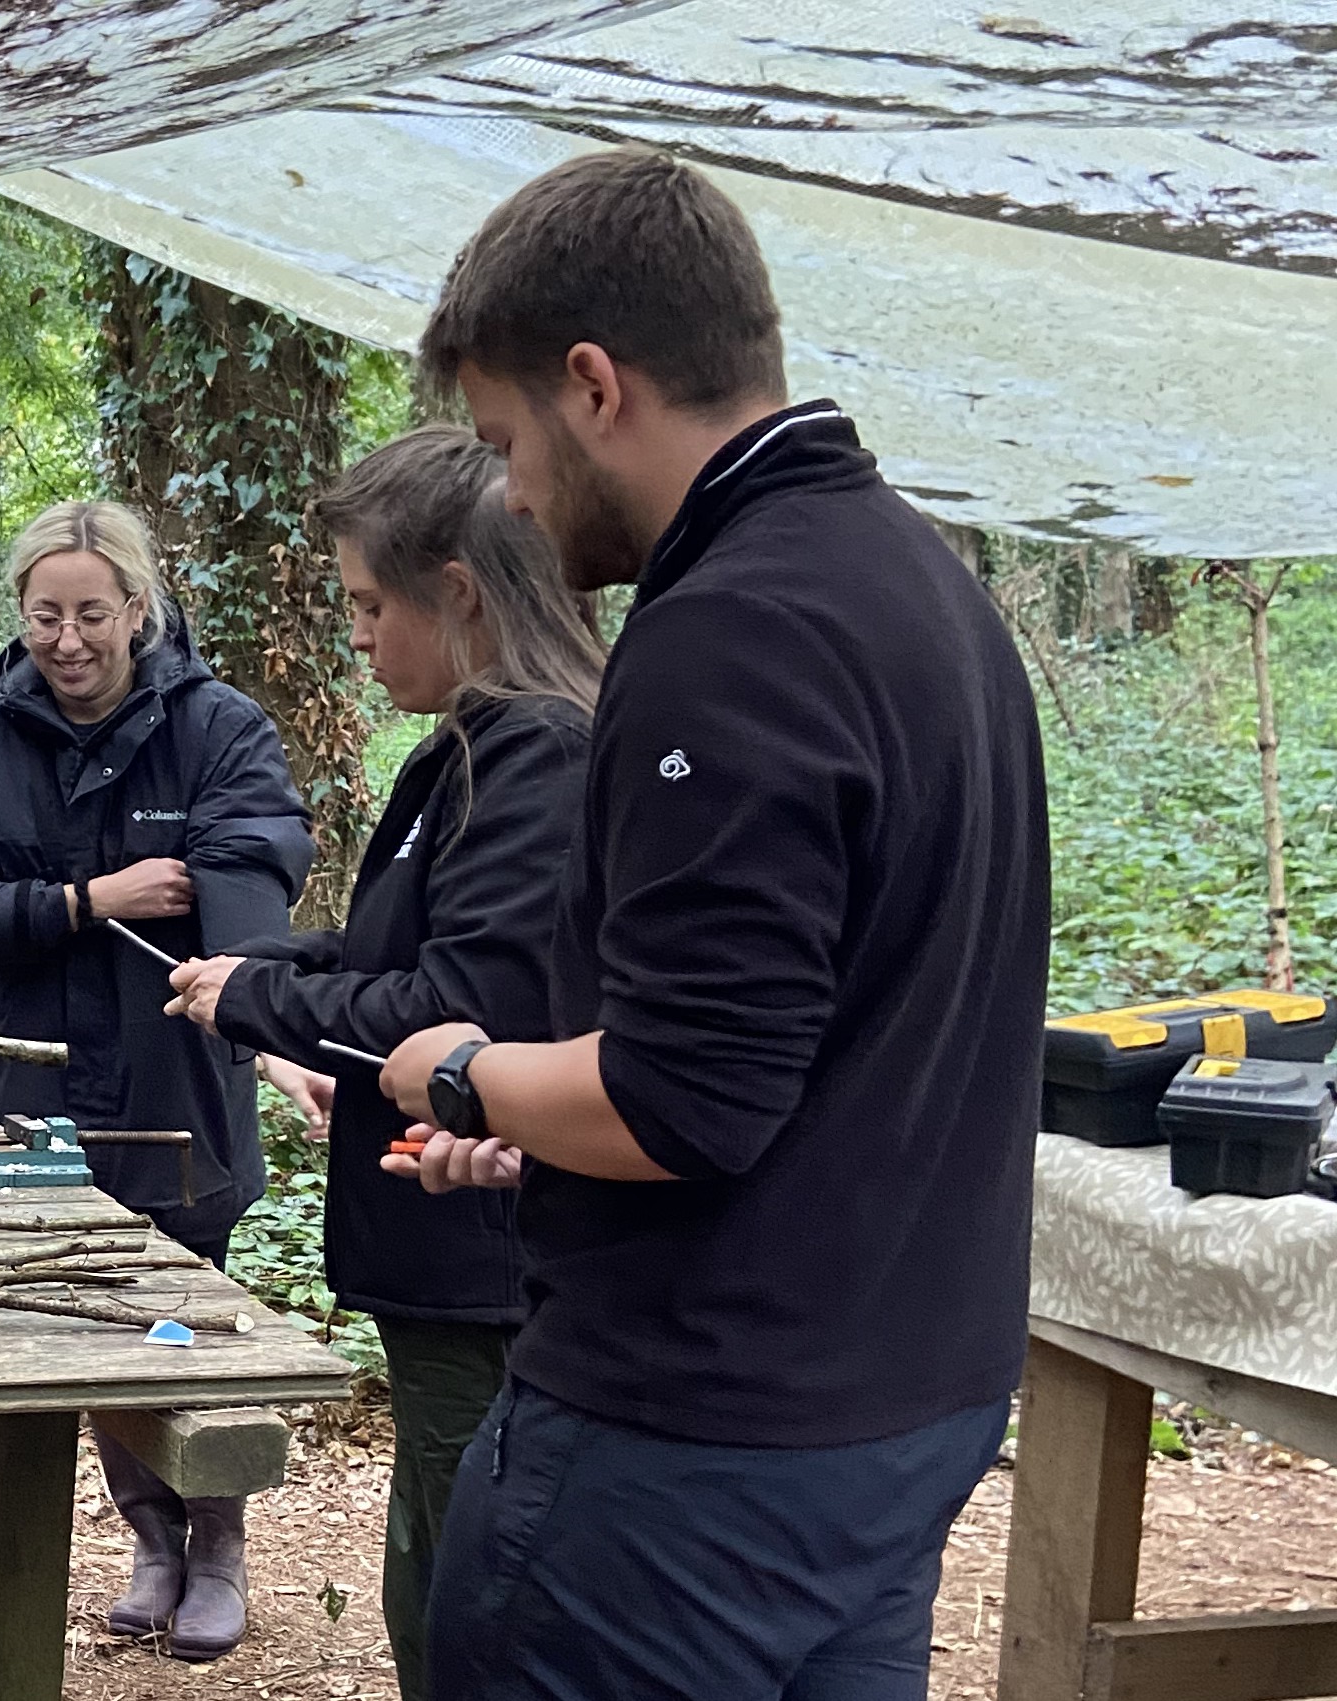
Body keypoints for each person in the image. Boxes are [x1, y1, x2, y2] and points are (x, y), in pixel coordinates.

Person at [375, 149, 1049, 1699]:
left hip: (692, 1447)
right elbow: (834, 1028)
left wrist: (466, 1072)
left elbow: (688, 1098)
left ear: (594, 384)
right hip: (902, 1402)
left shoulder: (727, 632)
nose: (519, 503)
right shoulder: (922, 586)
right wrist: (552, 1117)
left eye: (506, 445)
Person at [158, 426, 599, 1701]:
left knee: (476, 1592)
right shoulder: (466, 746)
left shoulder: (544, 760)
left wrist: (265, 1004)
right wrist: (272, 977)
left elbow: (460, 1008)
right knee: (437, 1565)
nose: (353, 633)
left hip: (488, 1257)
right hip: (432, 1265)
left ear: (458, 592)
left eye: (366, 602)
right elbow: (393, 944)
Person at [0, 500, 310, 1663]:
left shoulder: (218, 727)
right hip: (43, 1092)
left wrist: (266, 1021)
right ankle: (152, 1543)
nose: (68, 640)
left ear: (138, 608)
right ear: (20, 615)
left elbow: (250, 867)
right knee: (83, 1317)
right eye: (45, 616)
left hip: (182, 1086)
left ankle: (218, 1545)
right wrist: (92, 900)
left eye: (91, 613)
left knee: (183, 1322)